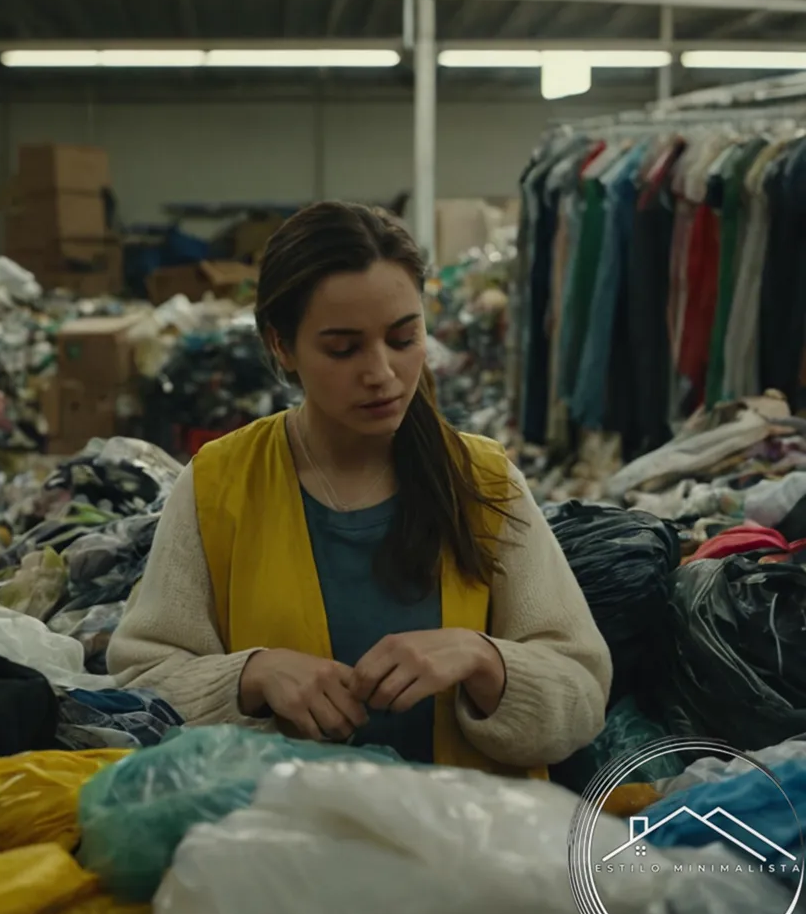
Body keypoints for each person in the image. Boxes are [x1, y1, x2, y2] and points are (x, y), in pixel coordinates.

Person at [108, 201, 612, 774]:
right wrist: (249, 677)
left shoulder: (483, 480)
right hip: (279, 847)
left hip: (468, 849)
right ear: (281, 346)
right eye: (343, 349)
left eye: (403, 338)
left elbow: (582, 693)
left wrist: (484, 659)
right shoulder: (220, 484)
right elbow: (139, 684)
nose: (382, 372)